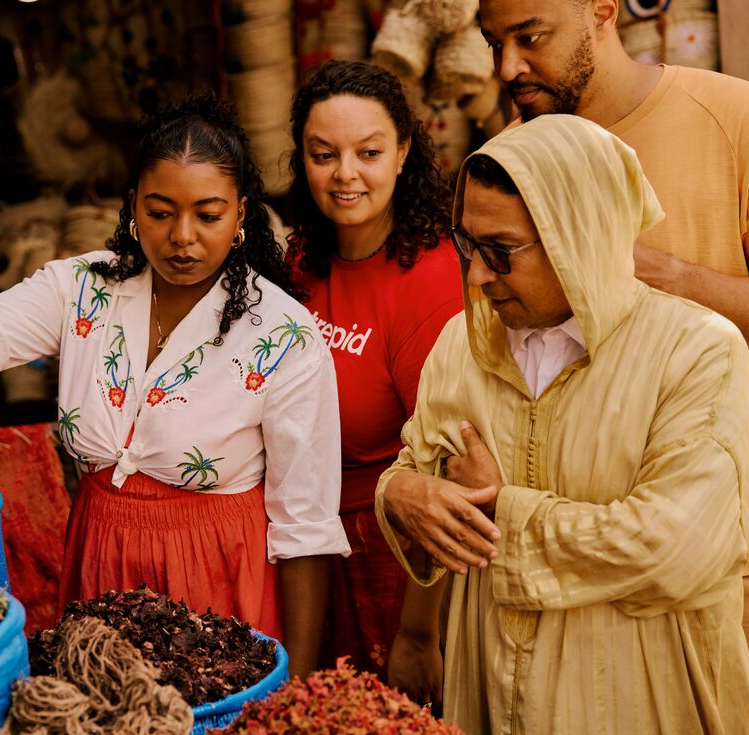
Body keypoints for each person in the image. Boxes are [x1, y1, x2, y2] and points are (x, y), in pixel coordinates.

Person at [0, 93, 351, 677]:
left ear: (240, 215)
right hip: (100, 578)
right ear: (133, 206)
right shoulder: (84, 288)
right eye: (160, 212)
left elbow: (305, 528)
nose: (182, 236)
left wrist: (298, 679)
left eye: (208, 215)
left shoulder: (284, 334)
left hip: (218, 601)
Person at [375, 114, 749, 733]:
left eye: (501, 251)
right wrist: (400, 494)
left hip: (638, 702)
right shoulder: (462, 343)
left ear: (578, 235)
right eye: (468, 246)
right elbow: (415, 471)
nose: (477, 276)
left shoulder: (696, 350)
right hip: (492, 691)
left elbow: (674, 549)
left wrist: (500, 509)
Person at [477, 2, 749, 727]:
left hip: (741, 553)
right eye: (494, 43)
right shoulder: (511, 159)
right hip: (565, 570)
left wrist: (664, 276)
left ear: (602, 9)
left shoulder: (739, 117)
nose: (508, 67)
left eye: (530, 37)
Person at [285, 59, 461, 690]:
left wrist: (418, 632)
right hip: (303, 547)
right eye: (323, 154)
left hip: (392, 559)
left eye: (368, 152)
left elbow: (447, 470)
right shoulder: (300, 258)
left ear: (404, 152)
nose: (345, 174)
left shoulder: (433, 280)